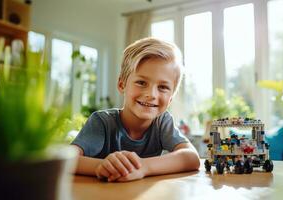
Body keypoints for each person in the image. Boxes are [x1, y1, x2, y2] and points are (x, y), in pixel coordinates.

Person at [71, 37, 200, 182]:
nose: (151, 94)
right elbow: (66, 159)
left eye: (163, 87)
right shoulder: (102, 122)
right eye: (141, 82)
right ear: (122, 84)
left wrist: (143, 167)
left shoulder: (162, 123)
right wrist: (102, 166)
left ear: (170, 98)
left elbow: (192, 158)